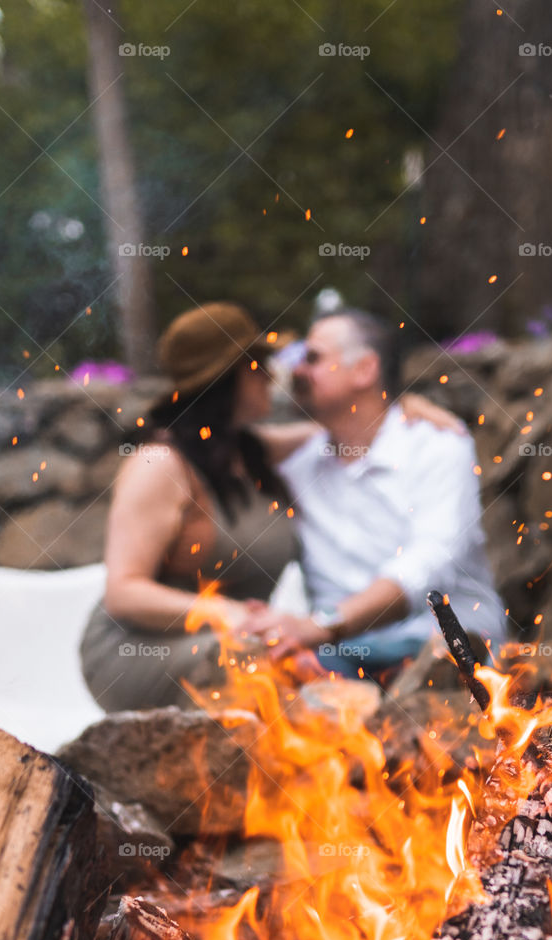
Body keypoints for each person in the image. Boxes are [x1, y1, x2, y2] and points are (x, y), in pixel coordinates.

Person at [80, 302, 461, 711]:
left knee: (288, 673)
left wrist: (400, 411)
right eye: (257, 363)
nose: (273, 374)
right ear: (226, 379)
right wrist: (227, 613)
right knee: (266, 668)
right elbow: (123, 592)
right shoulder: (159, 464)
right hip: (141, 648)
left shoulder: (254, 451)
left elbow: (348, 427)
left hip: (240, 640)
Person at [239, 309, 506, 677]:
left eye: (313, 358)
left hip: (440, 645)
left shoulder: (438, 445)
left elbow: (429, 563)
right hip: (335, 654)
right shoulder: (299, 465)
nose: (297, 370)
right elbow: (222, 443)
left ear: (365, 369)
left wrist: (321, 625)